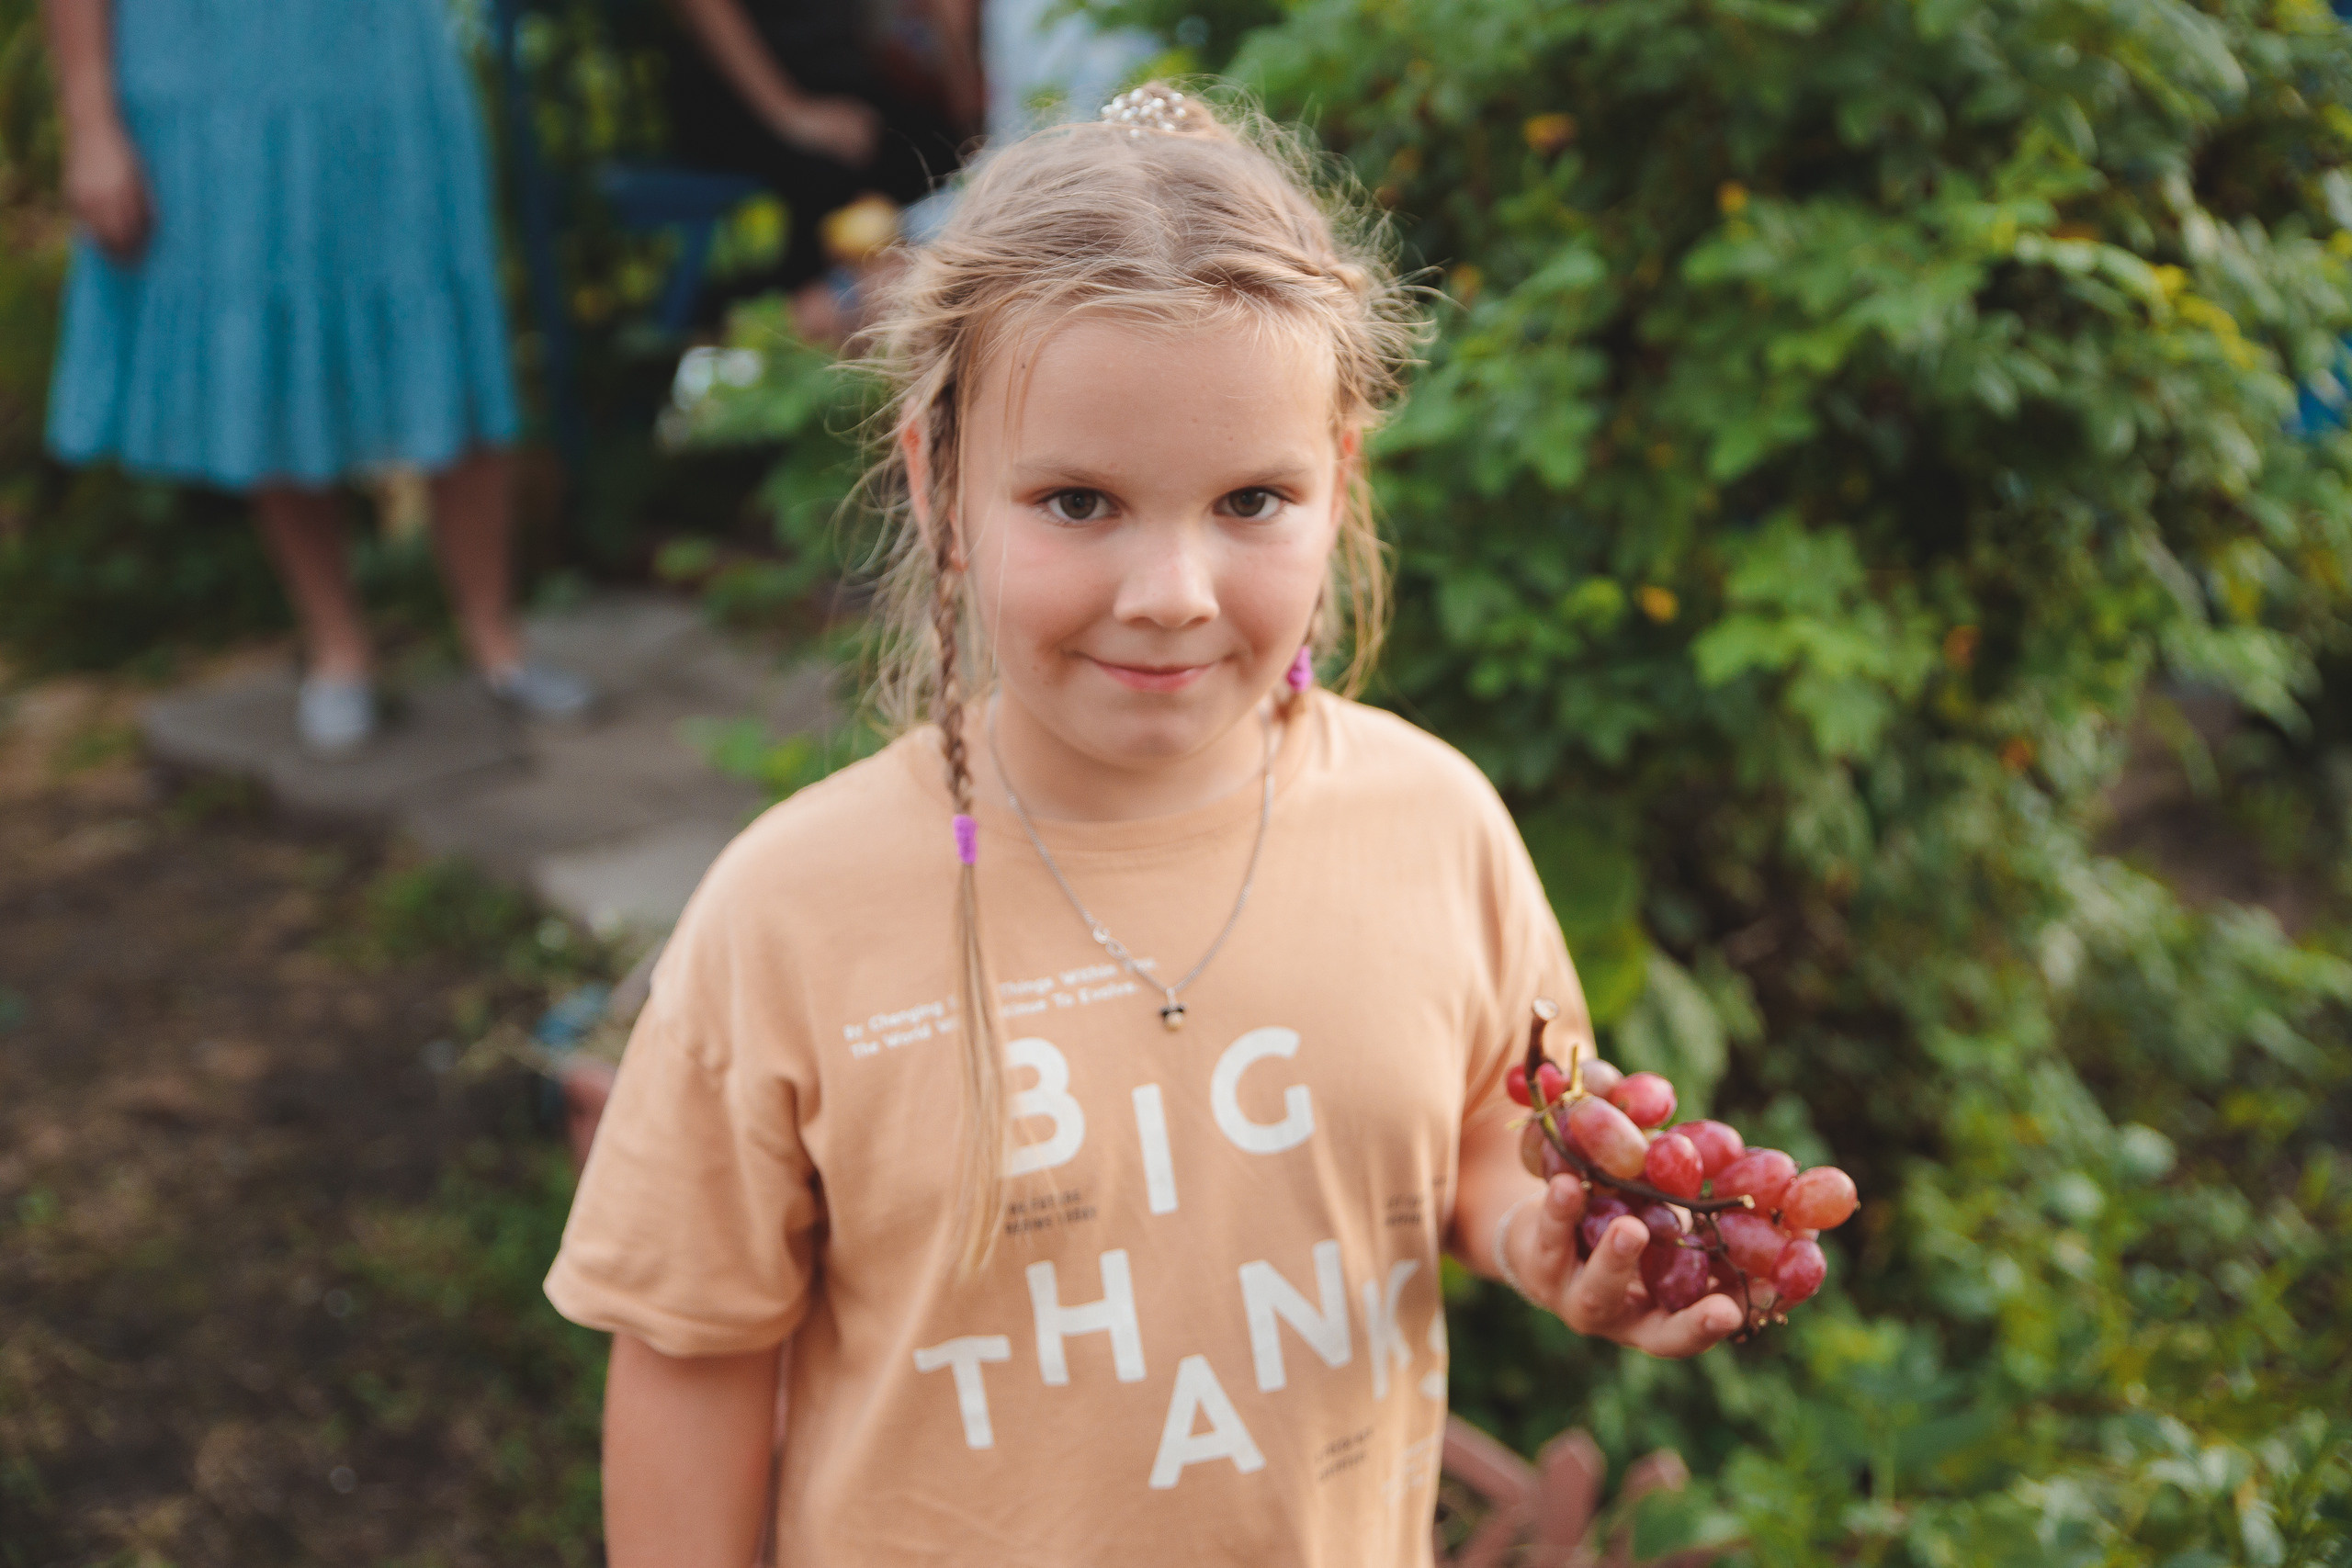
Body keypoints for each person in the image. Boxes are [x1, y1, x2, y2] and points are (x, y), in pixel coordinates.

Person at [545, 85, 1743, 1566]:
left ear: (1338, 484)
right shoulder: (790, 910)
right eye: (1079, 502)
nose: (1172, 588)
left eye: (1251, 498)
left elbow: (1493, 1140)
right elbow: (690, 1349)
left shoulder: (1434, 827)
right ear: (940, 485)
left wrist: (1544, 1241)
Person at [42, 0, 590, 751]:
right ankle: (338, 647)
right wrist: (91, 122)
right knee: (268, 351)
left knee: (442, 323)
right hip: (208, 82)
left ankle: (497, 639)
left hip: (386, 67)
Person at [657, 0, 976, 333]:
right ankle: (774, 335)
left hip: (839, 86)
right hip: (741, 97)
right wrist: (792, 115)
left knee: (939, 154)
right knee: (835, 174)